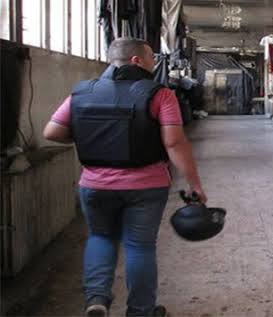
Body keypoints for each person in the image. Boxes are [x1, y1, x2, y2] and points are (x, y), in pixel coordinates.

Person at [43, 38, 207, 317]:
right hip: (146, 185)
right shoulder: (160, 95)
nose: (154, 63)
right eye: (151, 57)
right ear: (136, 60)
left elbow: (52, 132)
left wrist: (92, 136)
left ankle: (96, 300)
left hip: (94, 185)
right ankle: (141, 311)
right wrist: (194, 184)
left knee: (100, 238)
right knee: (139, 247)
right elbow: (174, 143)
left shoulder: (82, 92)